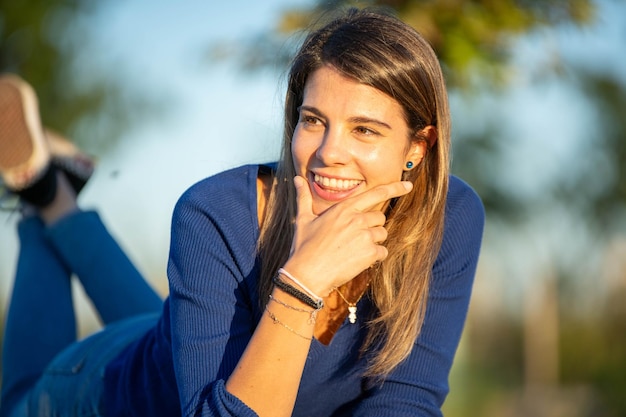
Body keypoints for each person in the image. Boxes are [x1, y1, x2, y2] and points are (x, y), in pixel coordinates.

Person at [0, 7, 484, 417]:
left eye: (365, 130)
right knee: (18, 401)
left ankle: (51, 189)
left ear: (418, 147)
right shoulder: (214, 212)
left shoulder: (450, 217)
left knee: (167, 328)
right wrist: (303, 283)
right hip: (110, 391)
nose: (328, 153)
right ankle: (42, 194)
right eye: (313, 121)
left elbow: (406, 398)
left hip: (181, 340)